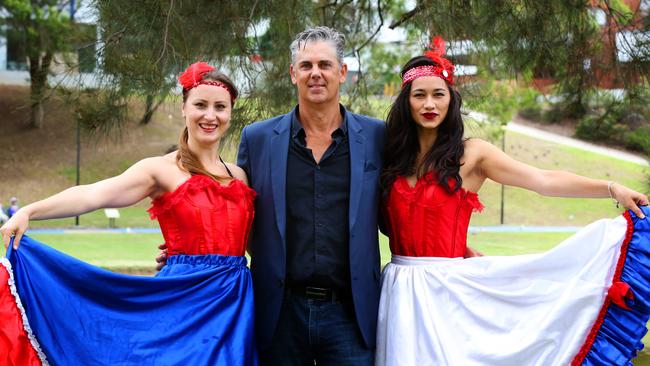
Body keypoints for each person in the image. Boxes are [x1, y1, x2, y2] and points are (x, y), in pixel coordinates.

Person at [375, 37, 650, 365]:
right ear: (406, 102)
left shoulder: (472, 154)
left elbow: (543, 181)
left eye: (438, 94)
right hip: (396, 288)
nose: (429, 103)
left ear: (452, 100)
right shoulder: (389, 154)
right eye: (419, 95)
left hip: (449, 294)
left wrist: (610, 186)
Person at [0, 62, 258, 365]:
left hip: (235, 304)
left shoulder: (240, 176)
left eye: (220, 107)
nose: (210, 115)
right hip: (182, 302)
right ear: (184, 107)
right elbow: (94, 194)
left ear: (231, 112)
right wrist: (31, 210)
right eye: (200, 105)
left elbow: (253, 242)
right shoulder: (160, 169)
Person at [236, 26, 385, 365]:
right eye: (306, 66)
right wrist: (191, 245)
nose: (315, 73)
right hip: (280, 312)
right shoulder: (257, 139)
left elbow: (402, 205)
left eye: (325, 64)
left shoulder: (377, 136)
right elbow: (236, 210)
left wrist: (451, 247)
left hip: (350, 313)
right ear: (293, 73)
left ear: (342, 72)